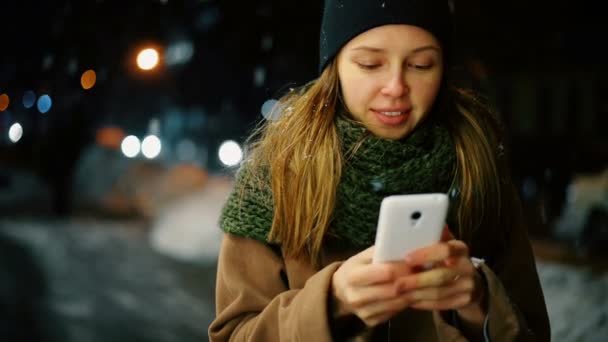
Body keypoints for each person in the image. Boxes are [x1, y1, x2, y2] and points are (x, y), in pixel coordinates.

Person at [208, 0, 550, 340]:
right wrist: (331, 301)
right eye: (371, 64)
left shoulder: (478, 169)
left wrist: (479, 301)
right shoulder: (275, 178)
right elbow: (234, 335)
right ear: (335, 66)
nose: (396, 87)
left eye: (420, 64)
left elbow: (532, 333)